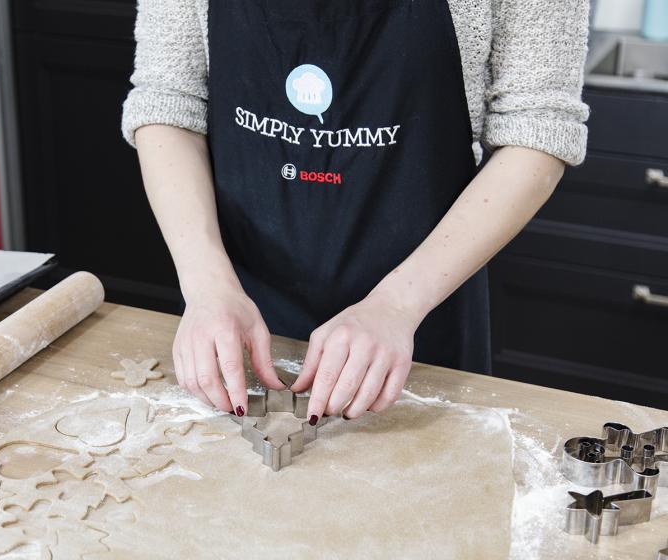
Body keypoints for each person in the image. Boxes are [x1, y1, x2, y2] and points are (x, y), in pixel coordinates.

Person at [121, 0, 590, 424]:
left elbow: (538, 130)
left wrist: (396, 306)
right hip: (236, 311)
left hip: (419, 309)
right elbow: (168, 100)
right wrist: (206, 286)